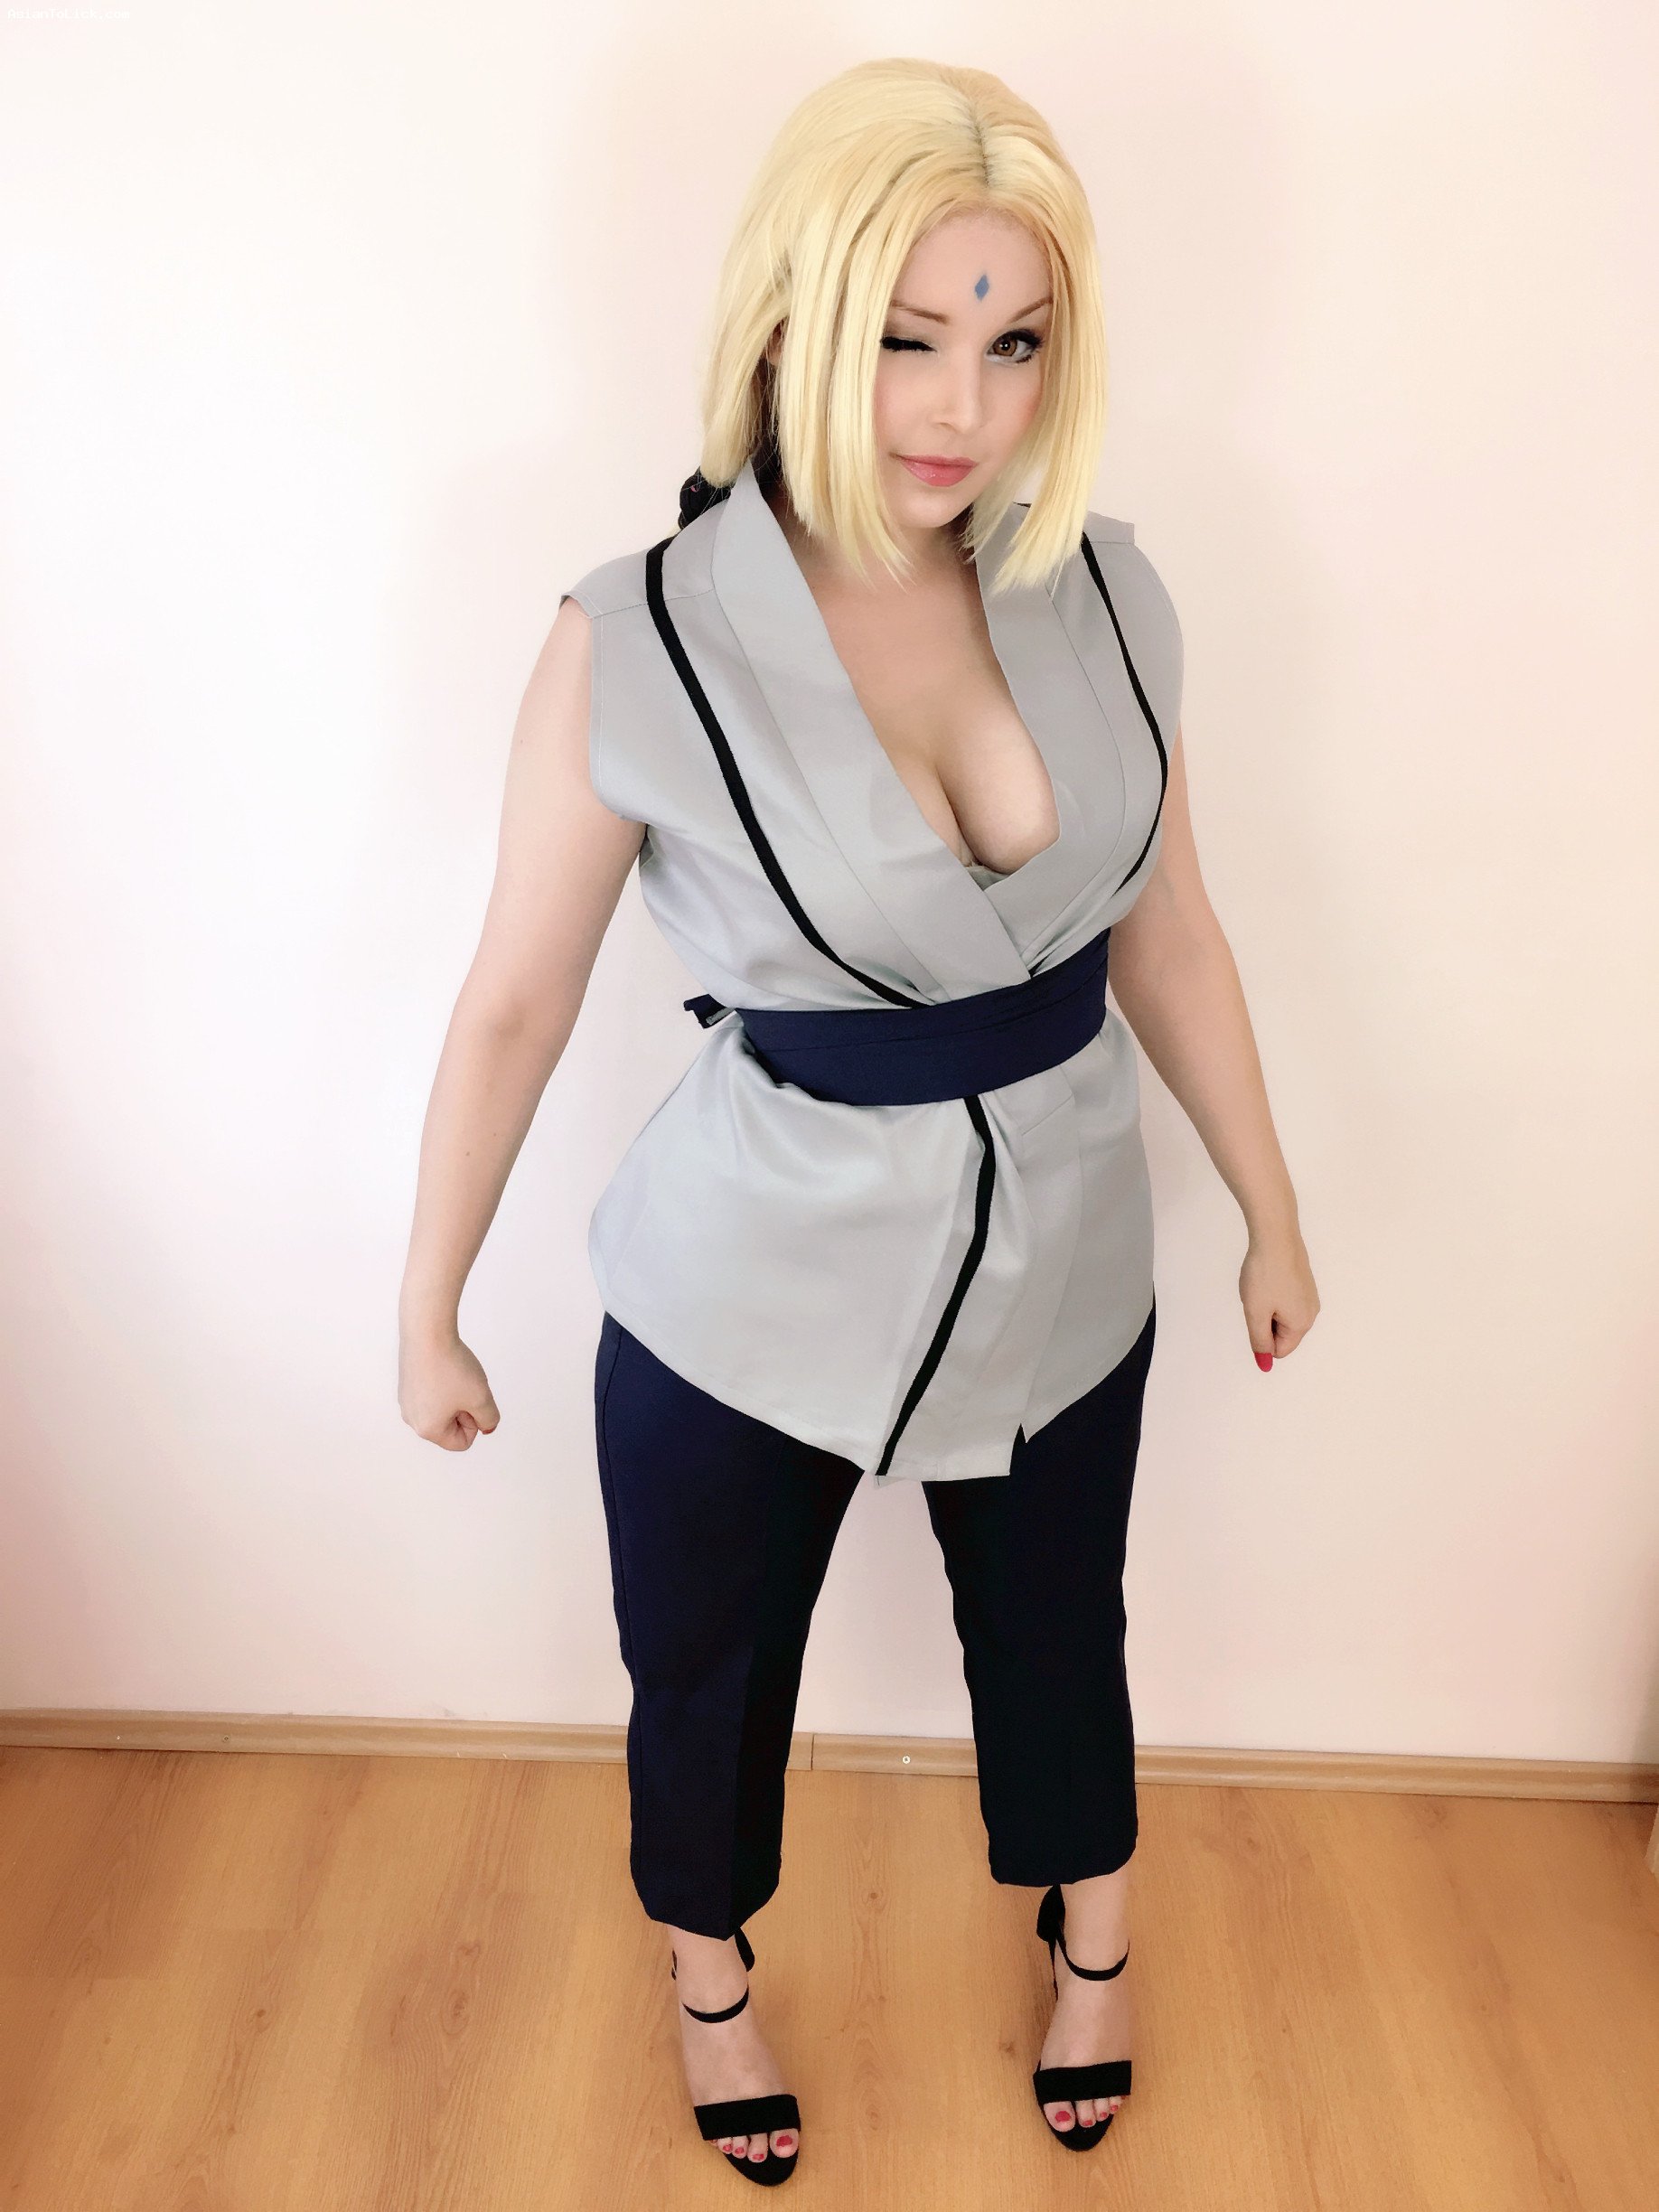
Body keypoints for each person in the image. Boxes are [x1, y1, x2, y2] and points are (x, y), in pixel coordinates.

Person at [398, 56, 1319, 2189]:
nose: (962, 407)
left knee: (1058, 1624)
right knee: (706, 1659)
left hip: (1067, 1239)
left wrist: (1272, 1209)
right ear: (791, 317)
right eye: (909, 336)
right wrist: (426, 1302)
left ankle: (1096, 1940)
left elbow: (1174, 935)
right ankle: (709, 1981)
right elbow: (516, 996)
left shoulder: (1109, 593)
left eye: (1016, 344)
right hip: (753, 1270)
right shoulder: (635, 641)